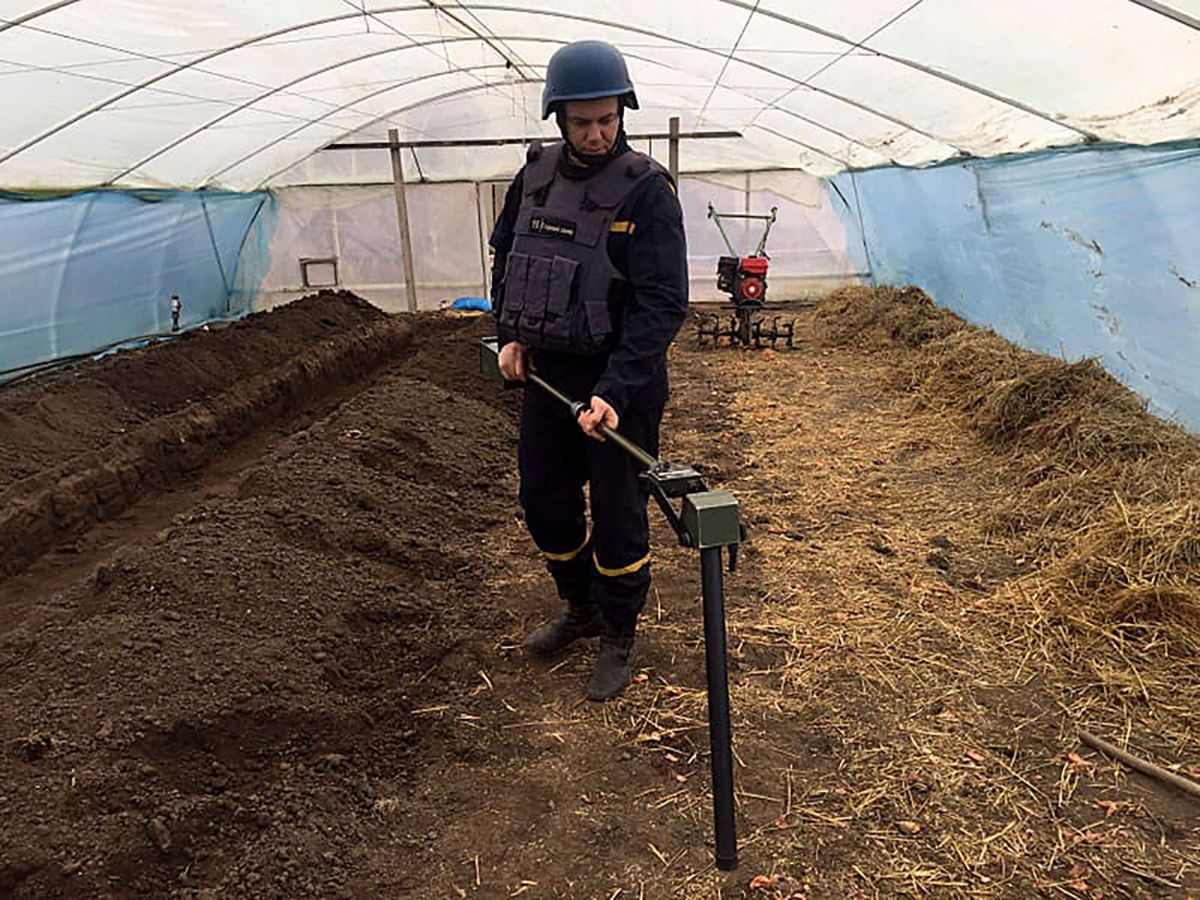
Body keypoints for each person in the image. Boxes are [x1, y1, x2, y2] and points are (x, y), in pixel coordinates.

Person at [489, 40, 688, 701]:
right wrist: (510, 335)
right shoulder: (534, 177)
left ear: (622, 111)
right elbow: (508, 257)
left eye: (608, 119)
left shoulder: (647, 191)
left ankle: (618, 632)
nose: (597, 134)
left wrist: (616, 391)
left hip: (622, 386)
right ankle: (580, 608)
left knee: (618, 514)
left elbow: (663, 303)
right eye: (582, 122)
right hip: (550, 377)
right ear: (558, 118)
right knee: (543, 502)